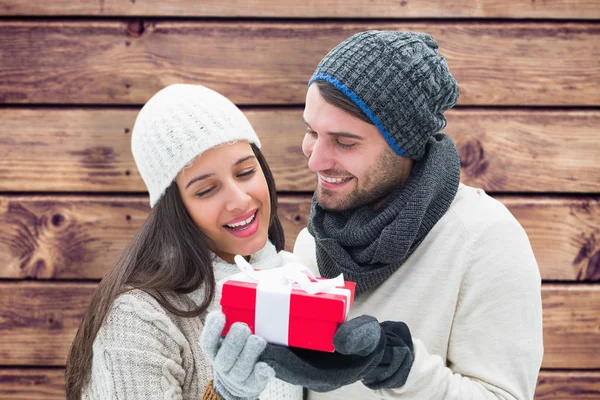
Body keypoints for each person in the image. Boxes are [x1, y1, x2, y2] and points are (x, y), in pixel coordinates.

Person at [261, 31, 544, 399]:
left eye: (345, 142)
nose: (315, 160)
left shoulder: (485, 240)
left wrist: (400, 369)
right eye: (311, 131)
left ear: (404, 146)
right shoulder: (317, 240)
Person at [64, 84, 304, 400]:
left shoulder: (291, 277)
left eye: (245, 172)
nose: (240, 200)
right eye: (206, 190)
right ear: (175, 209)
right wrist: (225, 394)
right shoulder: (137, 319)